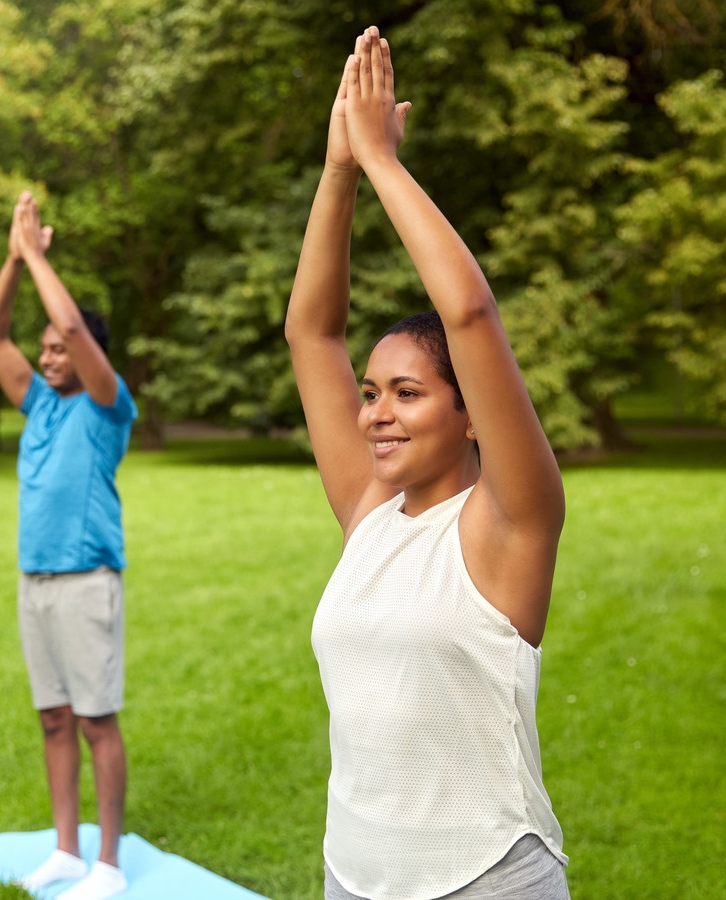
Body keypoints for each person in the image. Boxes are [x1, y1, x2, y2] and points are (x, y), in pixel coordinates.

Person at [286, 29, 571, 900]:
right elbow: (312, 331)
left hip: (486, 878)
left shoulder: (510, 523)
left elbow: (472, 315)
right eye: (371, 394)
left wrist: (380, 161)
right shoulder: (370, 510)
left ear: (471, 413)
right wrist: (337, 172)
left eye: (406, 394)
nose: (375, 414)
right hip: (354, 876)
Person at [0, 191, 137, 900]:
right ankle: (66, 851)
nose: (48, 355)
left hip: (85, 581)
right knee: (53, 719)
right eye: (42, 349)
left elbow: (69, 320)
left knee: (97, 721)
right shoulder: (39, 401)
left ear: (86, 352)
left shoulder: (107, 404)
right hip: (33, 581)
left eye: (59, 348)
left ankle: (108, 863)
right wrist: (13, 261)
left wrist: (40, 257)